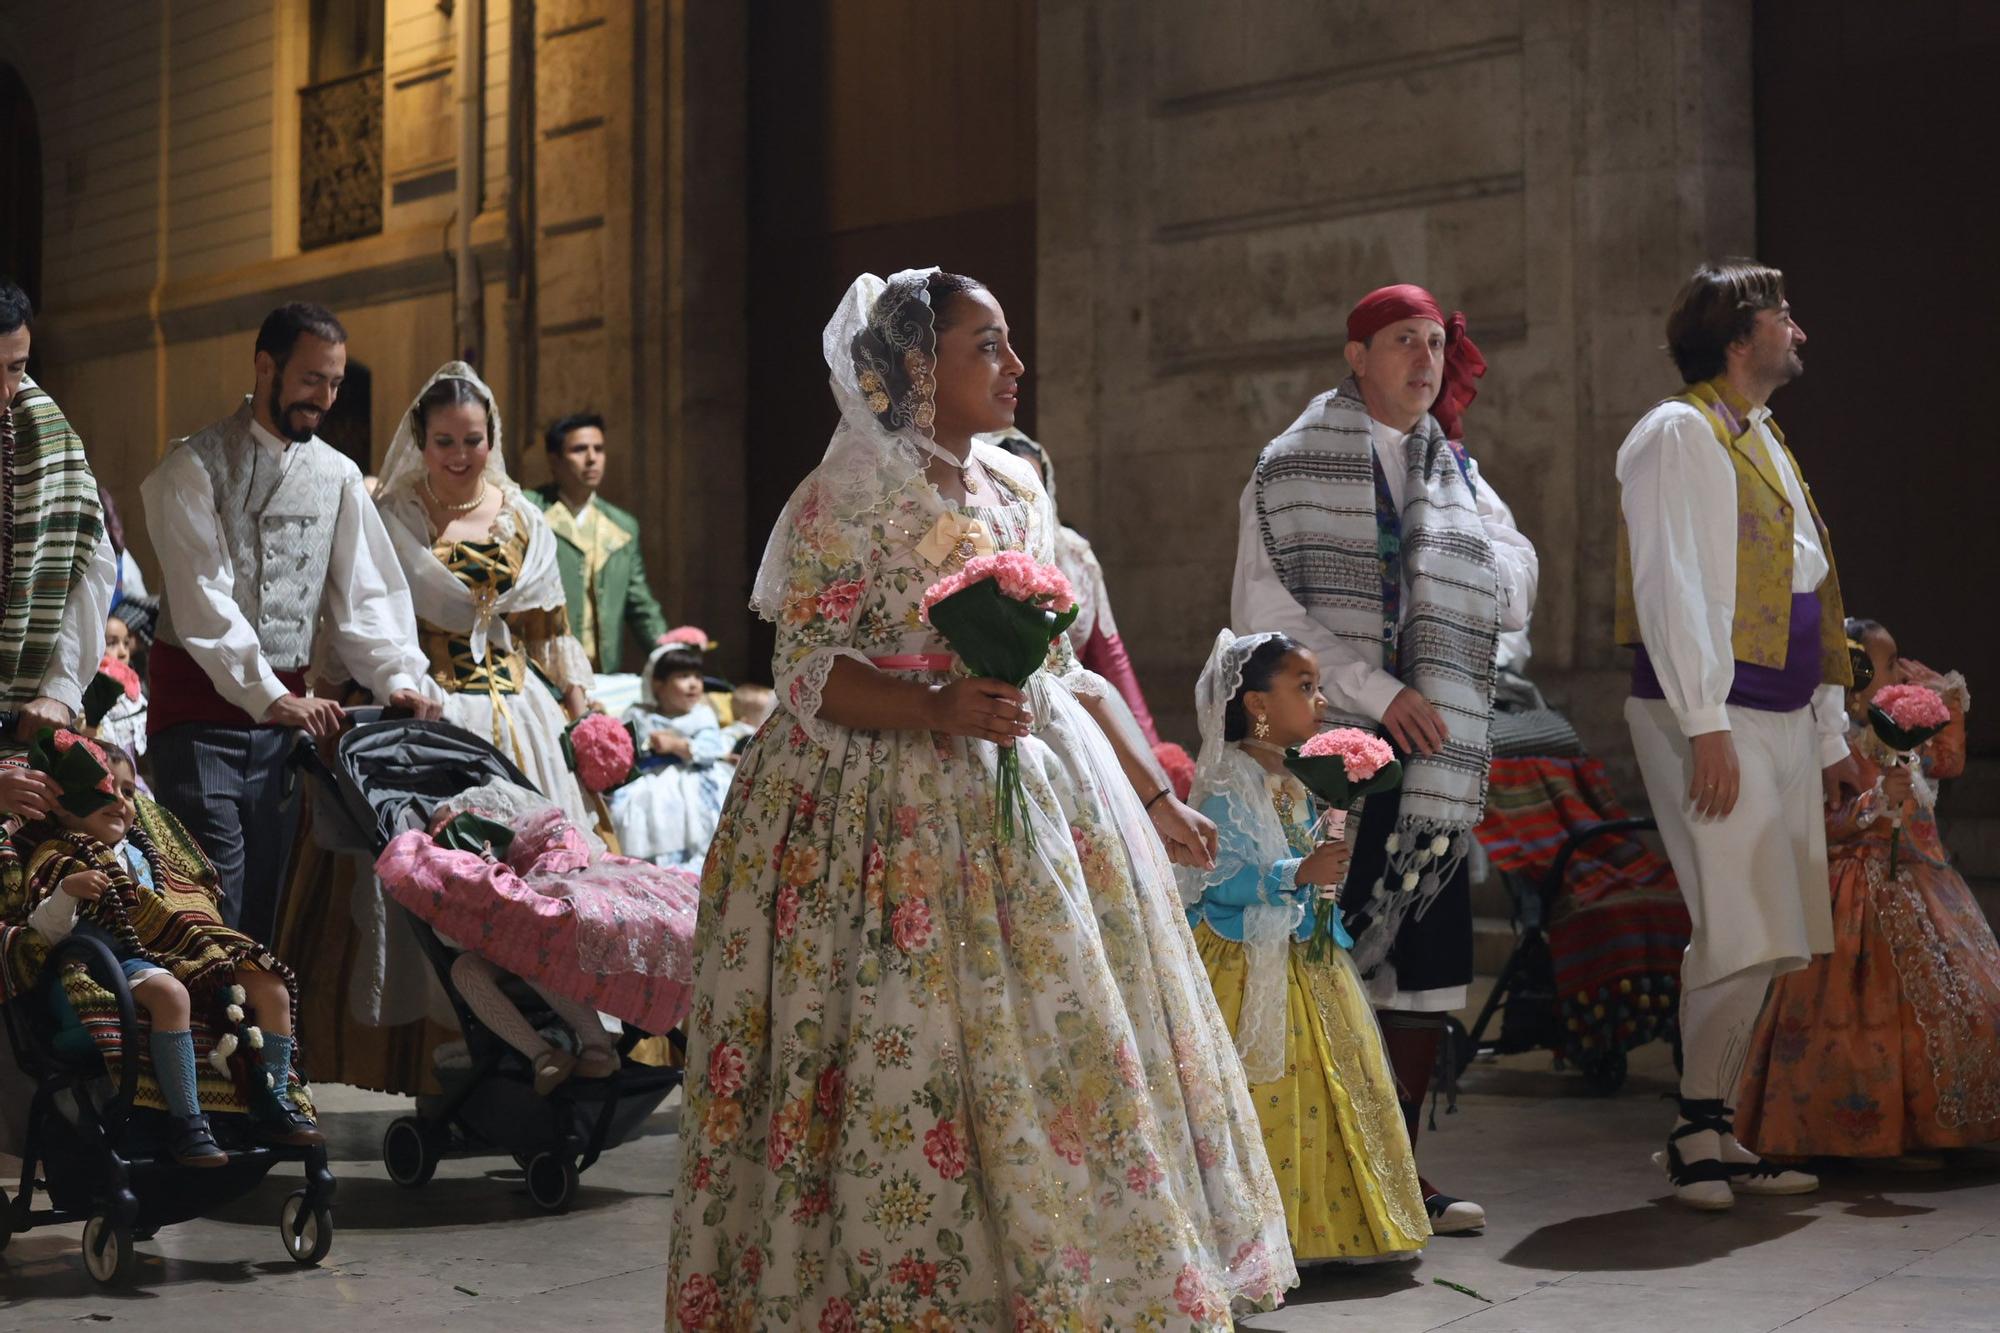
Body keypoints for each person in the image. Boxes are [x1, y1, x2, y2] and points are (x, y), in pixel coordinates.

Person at [666, 270, 1295, 1330]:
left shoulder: (1015, 493)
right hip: (878, 815)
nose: (1013, 366)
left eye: (1006, 345)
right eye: (985, 346)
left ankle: (1060, 1282)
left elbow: (1067, 673)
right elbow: (809, 670)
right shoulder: (845, 498)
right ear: (917, 365)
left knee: (1054, 1052)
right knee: (906, 1056)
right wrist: (933, 705)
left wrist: (1148, 794)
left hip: (1031, 804)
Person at [1230, 282, 1538, 1234]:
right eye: (1403, 340)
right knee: (1333, 961)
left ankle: (1399, 1169)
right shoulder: (1289, 467)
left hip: (1433, 761)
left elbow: (1518, 587)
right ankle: (1317, 1178)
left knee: (1427, 969)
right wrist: (1377, 689)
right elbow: (1264, 615)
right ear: (1356, 354)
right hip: (1335, 752)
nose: (1425, 359)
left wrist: (1465, 578)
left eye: (1437, 343)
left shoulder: (1455, 470)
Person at [1615, 259, 1864, 1210]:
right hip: (1714, 712)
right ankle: (1692, 1132)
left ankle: (1711, 1123)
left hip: (1783, 709)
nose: (1798, 328)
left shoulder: (1760, 435)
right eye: (1782, 315)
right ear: (1735, 337)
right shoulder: (1680, 433)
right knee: (1738, 916)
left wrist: (1832, 733)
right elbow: (1674, 585)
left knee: (1766, 927)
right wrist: (1705, 722)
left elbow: (1812, 588)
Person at [140, 302, 441, 943]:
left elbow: (367, 598)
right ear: (265, 367)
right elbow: (202, 605)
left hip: (279, 739)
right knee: (211, 912)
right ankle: (198, 1040)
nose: (324, 399)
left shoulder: (338, 477)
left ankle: (255, 1045)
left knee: (263, 920)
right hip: (198, 724)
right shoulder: (189, 467)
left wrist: (399, 679)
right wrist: (276, 696)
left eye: (334, 384)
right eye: (311, 380)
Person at [1180, 629, 1430, 1263]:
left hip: (1302, 954)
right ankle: (1260, 1234)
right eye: (1306, 688)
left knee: (1332, 1085)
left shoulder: (1292, 776)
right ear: (1257, 703)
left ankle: (1328, 1225)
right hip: (1245, 959)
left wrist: (1317, 869)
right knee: (1264, 1085)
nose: (1321, 702)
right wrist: (1295, 873)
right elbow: (1215, 877)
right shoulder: (1228, 780)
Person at [1735, 620, 2000, 1166]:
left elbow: (1947, 760)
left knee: (1959, 1000)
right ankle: (1847, 1132)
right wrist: (1876, 800)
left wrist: (1935, 695)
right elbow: (1819, 819)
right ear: (1851, 680)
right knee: (1853, 1011)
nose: (1899, 672)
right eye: (1886, 665)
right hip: (1857, 887)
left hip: (1924, 879)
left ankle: (1933, 1128)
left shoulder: (1901, 730)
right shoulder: (1831, 746)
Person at [0, 732, 320, 1164]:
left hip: (184, 956)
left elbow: (191, 904)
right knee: (170, 993)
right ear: (63, 805)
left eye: (128, 791)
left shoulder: (153, 856)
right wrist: (67, 895)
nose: (120, 802)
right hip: (113, 962)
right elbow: (43, 932)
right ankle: (187, 1122)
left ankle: (274, 1102)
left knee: (272, 985)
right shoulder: (58, 856)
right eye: (103, 791)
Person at [371, 362, 598, 831]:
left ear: (490, 440)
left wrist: (586, 727)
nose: (460, 455)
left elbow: (550, 631)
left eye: (472, 440)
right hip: (432, 709)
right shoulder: (395, 518)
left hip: (526, 716)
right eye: (444, 442)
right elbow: (370, 621)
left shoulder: (522, 518)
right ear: (422, 440)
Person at [375, 778, 699, 1093]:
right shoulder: (454, 855)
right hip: (506, 935)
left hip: (537, 926)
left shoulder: (520, 823)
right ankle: (542, 1054)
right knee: (466, 971)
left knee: (534, 951)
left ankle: (597, 1044)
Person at [0, 278, 116, 777]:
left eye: (15, 368)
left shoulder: (44, 432)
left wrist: (60, 689)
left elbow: (87, 565)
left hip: (20, 729)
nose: (4, 391)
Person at [987, 428, 1165, 745]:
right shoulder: (981, 553)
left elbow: (1110, 653)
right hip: (1000, 716)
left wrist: (1151, 743)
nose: (1026, 500)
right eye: (1012, 488)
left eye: (1033, 488)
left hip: (1078, 711)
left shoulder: (1074, 554)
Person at [528, 411, 670, 674]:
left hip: (600, 673)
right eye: (580, 449)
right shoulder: (529, 510)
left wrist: (668, 651)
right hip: (540, 669)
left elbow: (639, 603)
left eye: (599, 449)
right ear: (554, 459)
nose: (592, 459)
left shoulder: (622, 526)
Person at [609, 632, 735, 869]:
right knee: (644, 809)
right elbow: (624, 745)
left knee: (692, 810)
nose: (694, 683)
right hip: (649, 778)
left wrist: (678, 746)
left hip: (694, 776)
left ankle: (695, 866)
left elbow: (711, 748)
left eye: (697, 676)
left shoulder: (701, 715)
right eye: (683, 676)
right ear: (658, 684)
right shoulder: (640, 715)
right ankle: (655, 867)